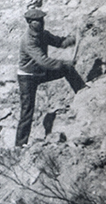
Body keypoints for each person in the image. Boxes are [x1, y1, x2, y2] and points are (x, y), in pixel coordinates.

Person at [15, 9, 86, 147]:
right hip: (27, 78)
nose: (41, 23)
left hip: (39, 73)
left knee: (68, 69)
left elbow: (60, 42)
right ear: (29, 22)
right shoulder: (28, 40)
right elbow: (44, 61)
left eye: (42, 20)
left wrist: (75, 38)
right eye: (37, 21)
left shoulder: (44, 35)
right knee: (27, 111)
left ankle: (82, 92)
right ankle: (19, 145)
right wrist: (64, 63)